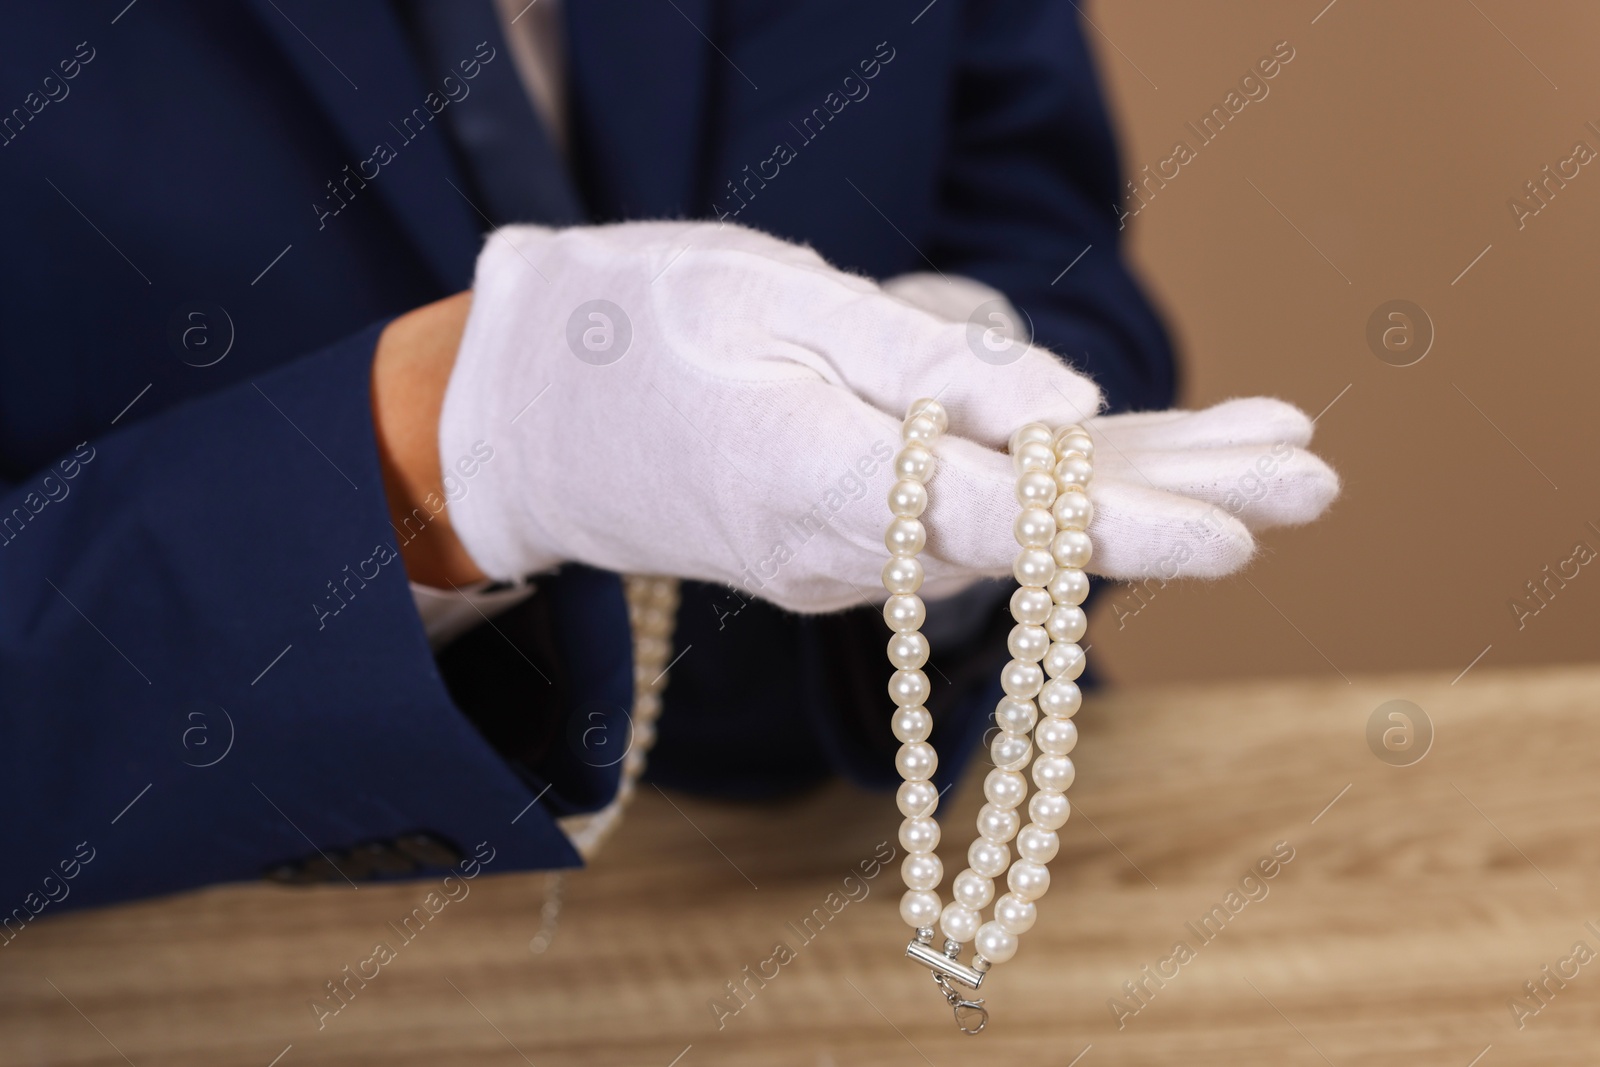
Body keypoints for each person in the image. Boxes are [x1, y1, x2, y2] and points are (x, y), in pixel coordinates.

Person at [0, 0, 1336, 916]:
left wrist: (970, 373)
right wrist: (439, 457)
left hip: (891, 865)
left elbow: (1044, 231)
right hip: (215, 965)